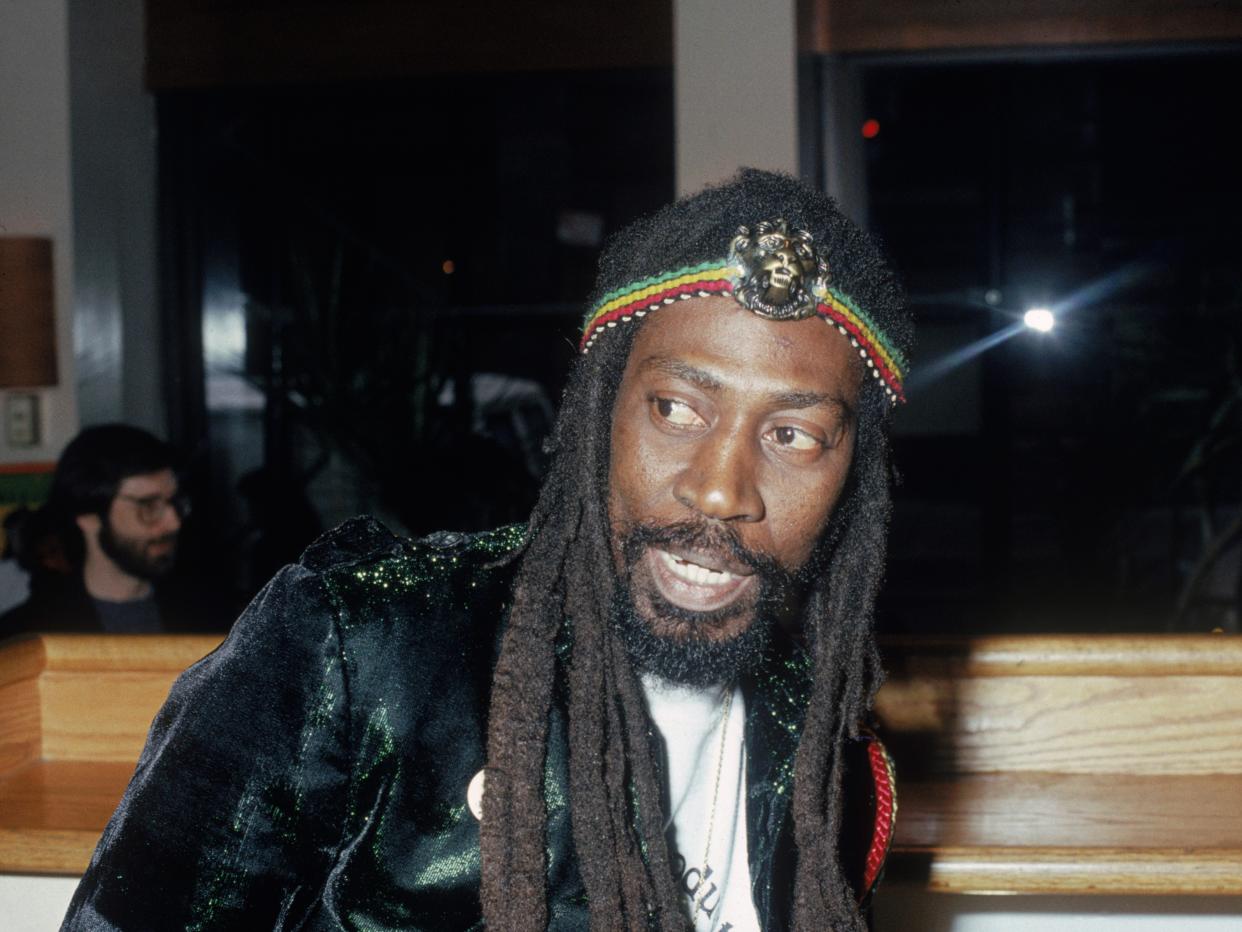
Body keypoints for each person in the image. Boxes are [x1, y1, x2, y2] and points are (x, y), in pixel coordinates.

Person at [61, 169, 913, 931]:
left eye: (795, 435)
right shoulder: (364, 647)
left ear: (854, 483)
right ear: (594, 414)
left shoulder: (829, 756)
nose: (723, 490)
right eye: (677, 410)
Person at [0, 424, 202, 635]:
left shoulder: (212, 621)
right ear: (89, 517)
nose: (173, 522)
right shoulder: (27, 637)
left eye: (174, 501)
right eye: (148, 506)